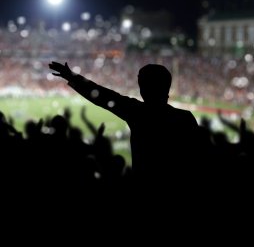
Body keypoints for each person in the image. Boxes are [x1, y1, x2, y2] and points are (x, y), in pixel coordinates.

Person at [49, 62, 200, 178]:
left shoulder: (138, 112)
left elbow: (102, 96)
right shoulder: (186, 119)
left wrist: (71, 76)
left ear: (143, 89)